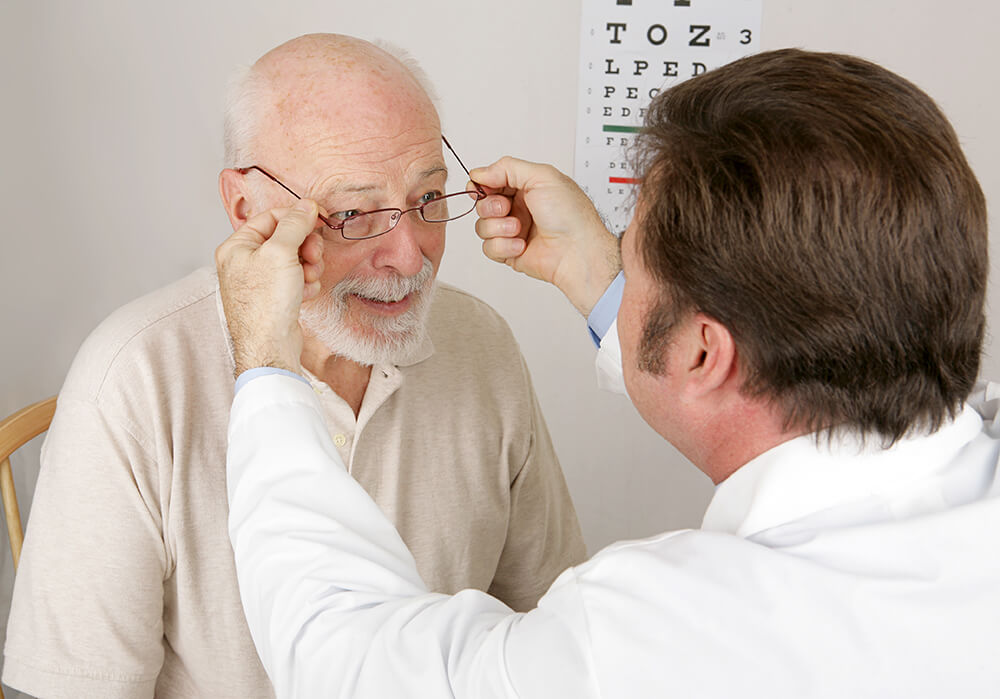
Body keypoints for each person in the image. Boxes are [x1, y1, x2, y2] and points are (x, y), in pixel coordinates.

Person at [219, 48, 999, 698]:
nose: (407, 250)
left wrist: (264, 365)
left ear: (702, 352)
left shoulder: (654, 642)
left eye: (630, 249)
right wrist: (599, 269)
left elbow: (341, 649)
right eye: (355, 211)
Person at [2, 34, 585, 698]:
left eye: (428, 200)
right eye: (351, 213)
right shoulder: (132, 378)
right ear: (246, 208)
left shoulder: (483, 345)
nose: (409, 255)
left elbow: (558, 633)